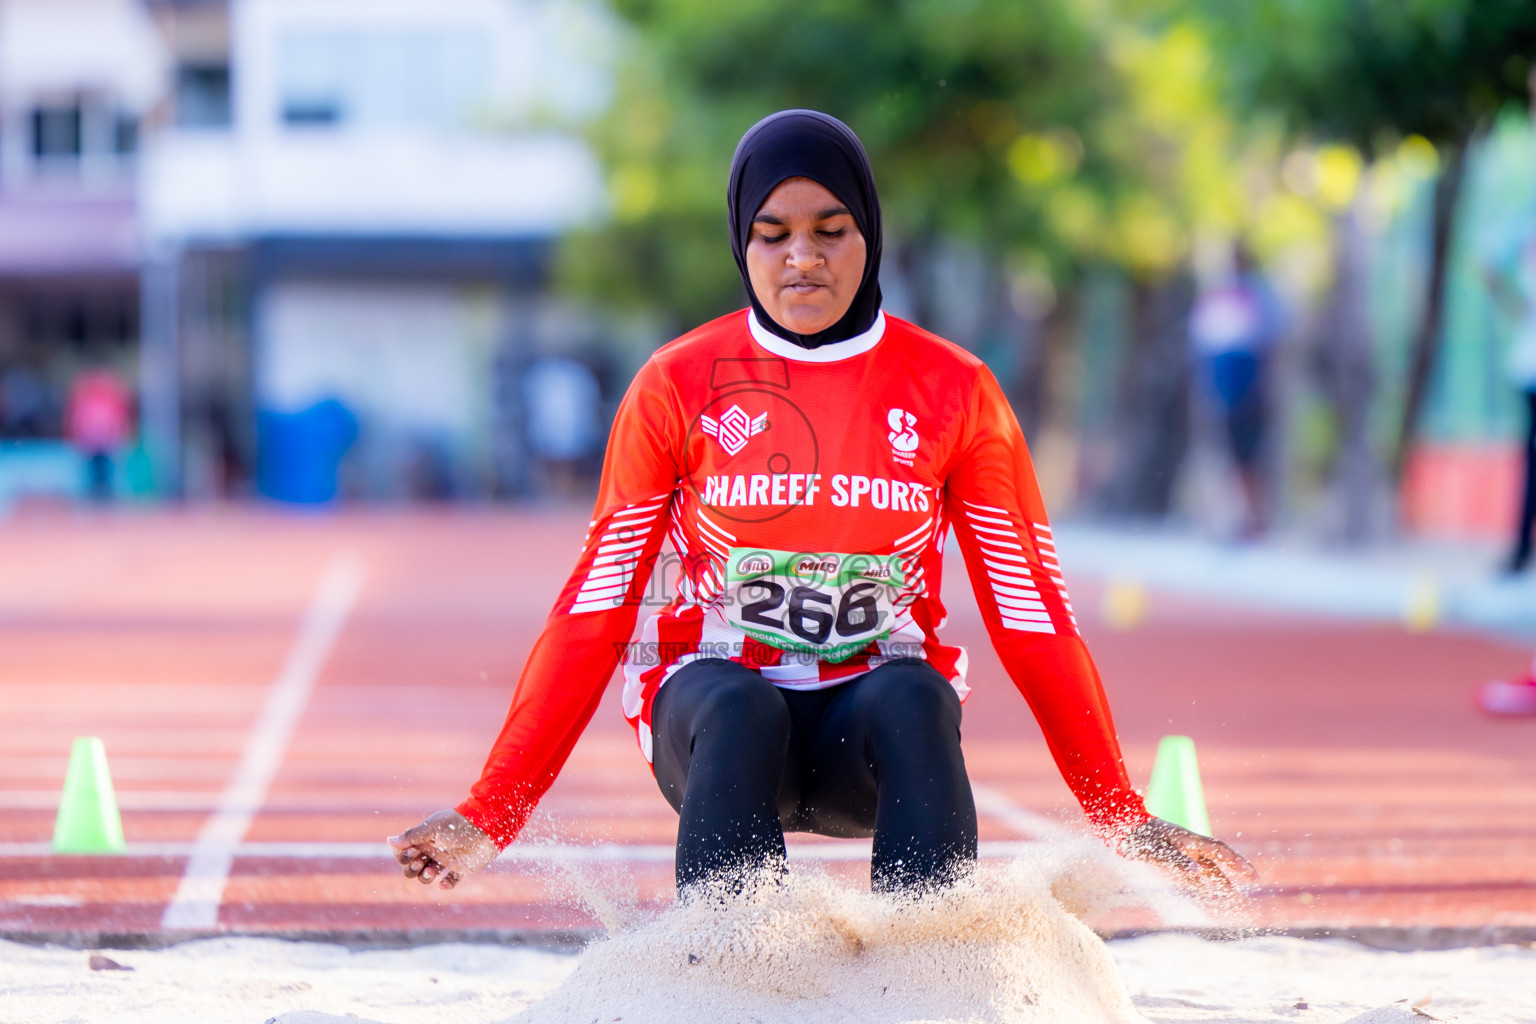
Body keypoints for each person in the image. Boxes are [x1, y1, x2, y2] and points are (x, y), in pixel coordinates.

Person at [390, 110, 1255, 898]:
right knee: (741, 705)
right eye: (773, 236)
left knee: (916, 697)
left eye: (828, 232)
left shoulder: (955, 390)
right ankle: (729, 969)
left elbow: (1030, 613)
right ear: (743, 244)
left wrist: (1119, 812)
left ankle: (925, 968)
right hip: (714, 725)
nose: (802, 257)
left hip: (867, 737)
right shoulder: (676, 384)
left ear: (867, 237)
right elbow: (598, 602)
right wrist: (489, 814)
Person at [1188, 242, 1284, 540]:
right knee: (1232, 457)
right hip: (1226, 390)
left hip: (1245, 392)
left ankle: (1254, 520)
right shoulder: (1227, 296)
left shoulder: (1255, 296)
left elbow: (1270, 344)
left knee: (1247, 458)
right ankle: (1235, 519)